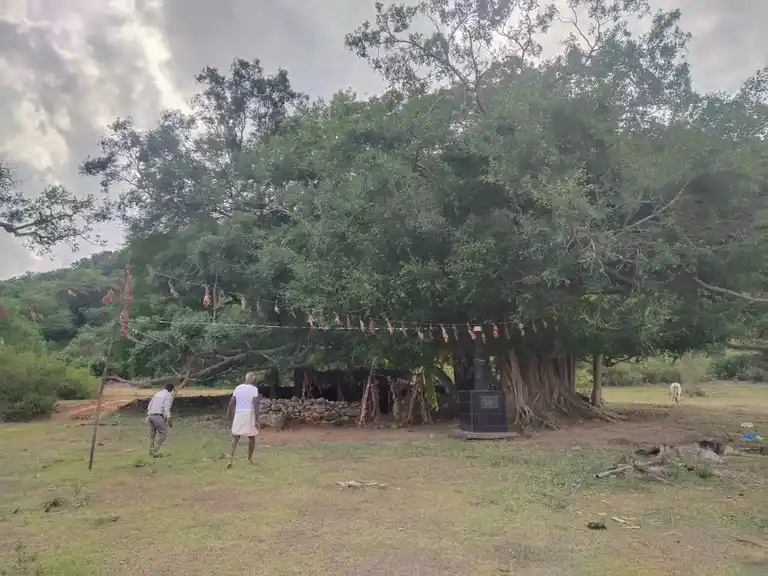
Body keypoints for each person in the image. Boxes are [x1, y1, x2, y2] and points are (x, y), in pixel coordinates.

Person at [226, 372, 260, 468]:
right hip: (249, 414)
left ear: (245, 378)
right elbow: (255, 404)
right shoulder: (254, 389)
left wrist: (229, 415)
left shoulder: (238, 388)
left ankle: (230, 460)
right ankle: (249, 459)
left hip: (239, 414)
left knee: (235, 438)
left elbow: (231, 403)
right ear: (253, 380)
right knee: (252, 437)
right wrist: (256, 419)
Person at [146, 382, 175, 456]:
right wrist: (169, 420)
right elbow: (166, 408)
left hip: (150, 415)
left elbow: (149, 406)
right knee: (163, 432)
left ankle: (150, 451)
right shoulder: (168, 395)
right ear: (171, 390)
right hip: (157, 416)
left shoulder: (157, 393)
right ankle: (155, 450)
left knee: (152, 435)